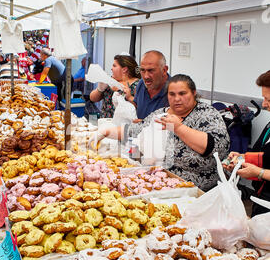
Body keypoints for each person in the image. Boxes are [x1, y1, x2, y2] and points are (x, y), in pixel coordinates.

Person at [92, 74, 230, 191]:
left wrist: (179, 128)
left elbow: (217, 147)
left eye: (182, 93)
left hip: (197, 189)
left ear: (194, 93)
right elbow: (136, 130)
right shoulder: (161, 113)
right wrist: (107, 131)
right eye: (172, 94)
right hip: (160, 183)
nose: (177, 99)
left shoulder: (207, 114)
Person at [223, 70, 270, 216]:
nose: (264, 104)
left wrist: (259, 172)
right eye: (264, 98)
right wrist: (241, 159)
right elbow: (266, 156)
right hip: (262, 199)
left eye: (269, 99)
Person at [133, 50, 170, 120]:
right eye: (142, 70)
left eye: (151, 70)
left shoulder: (175, 91)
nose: (146, 76)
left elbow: (175, 127)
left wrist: (145, 125)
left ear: (164, 70)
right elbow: (136, 105)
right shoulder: (141, 84)